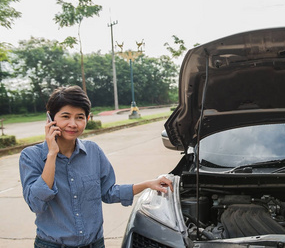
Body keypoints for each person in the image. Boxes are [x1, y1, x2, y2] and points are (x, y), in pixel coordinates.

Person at [19, 85, 173, 248]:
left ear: (87, 119)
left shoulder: (93, 151)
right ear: (50, 119)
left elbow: (109, 192)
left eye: (79, 117)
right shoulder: (31, 156)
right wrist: (52, 155)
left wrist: (148, 184)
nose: (73, 124)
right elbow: (36, 203)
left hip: (94, 244)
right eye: (65, 116)